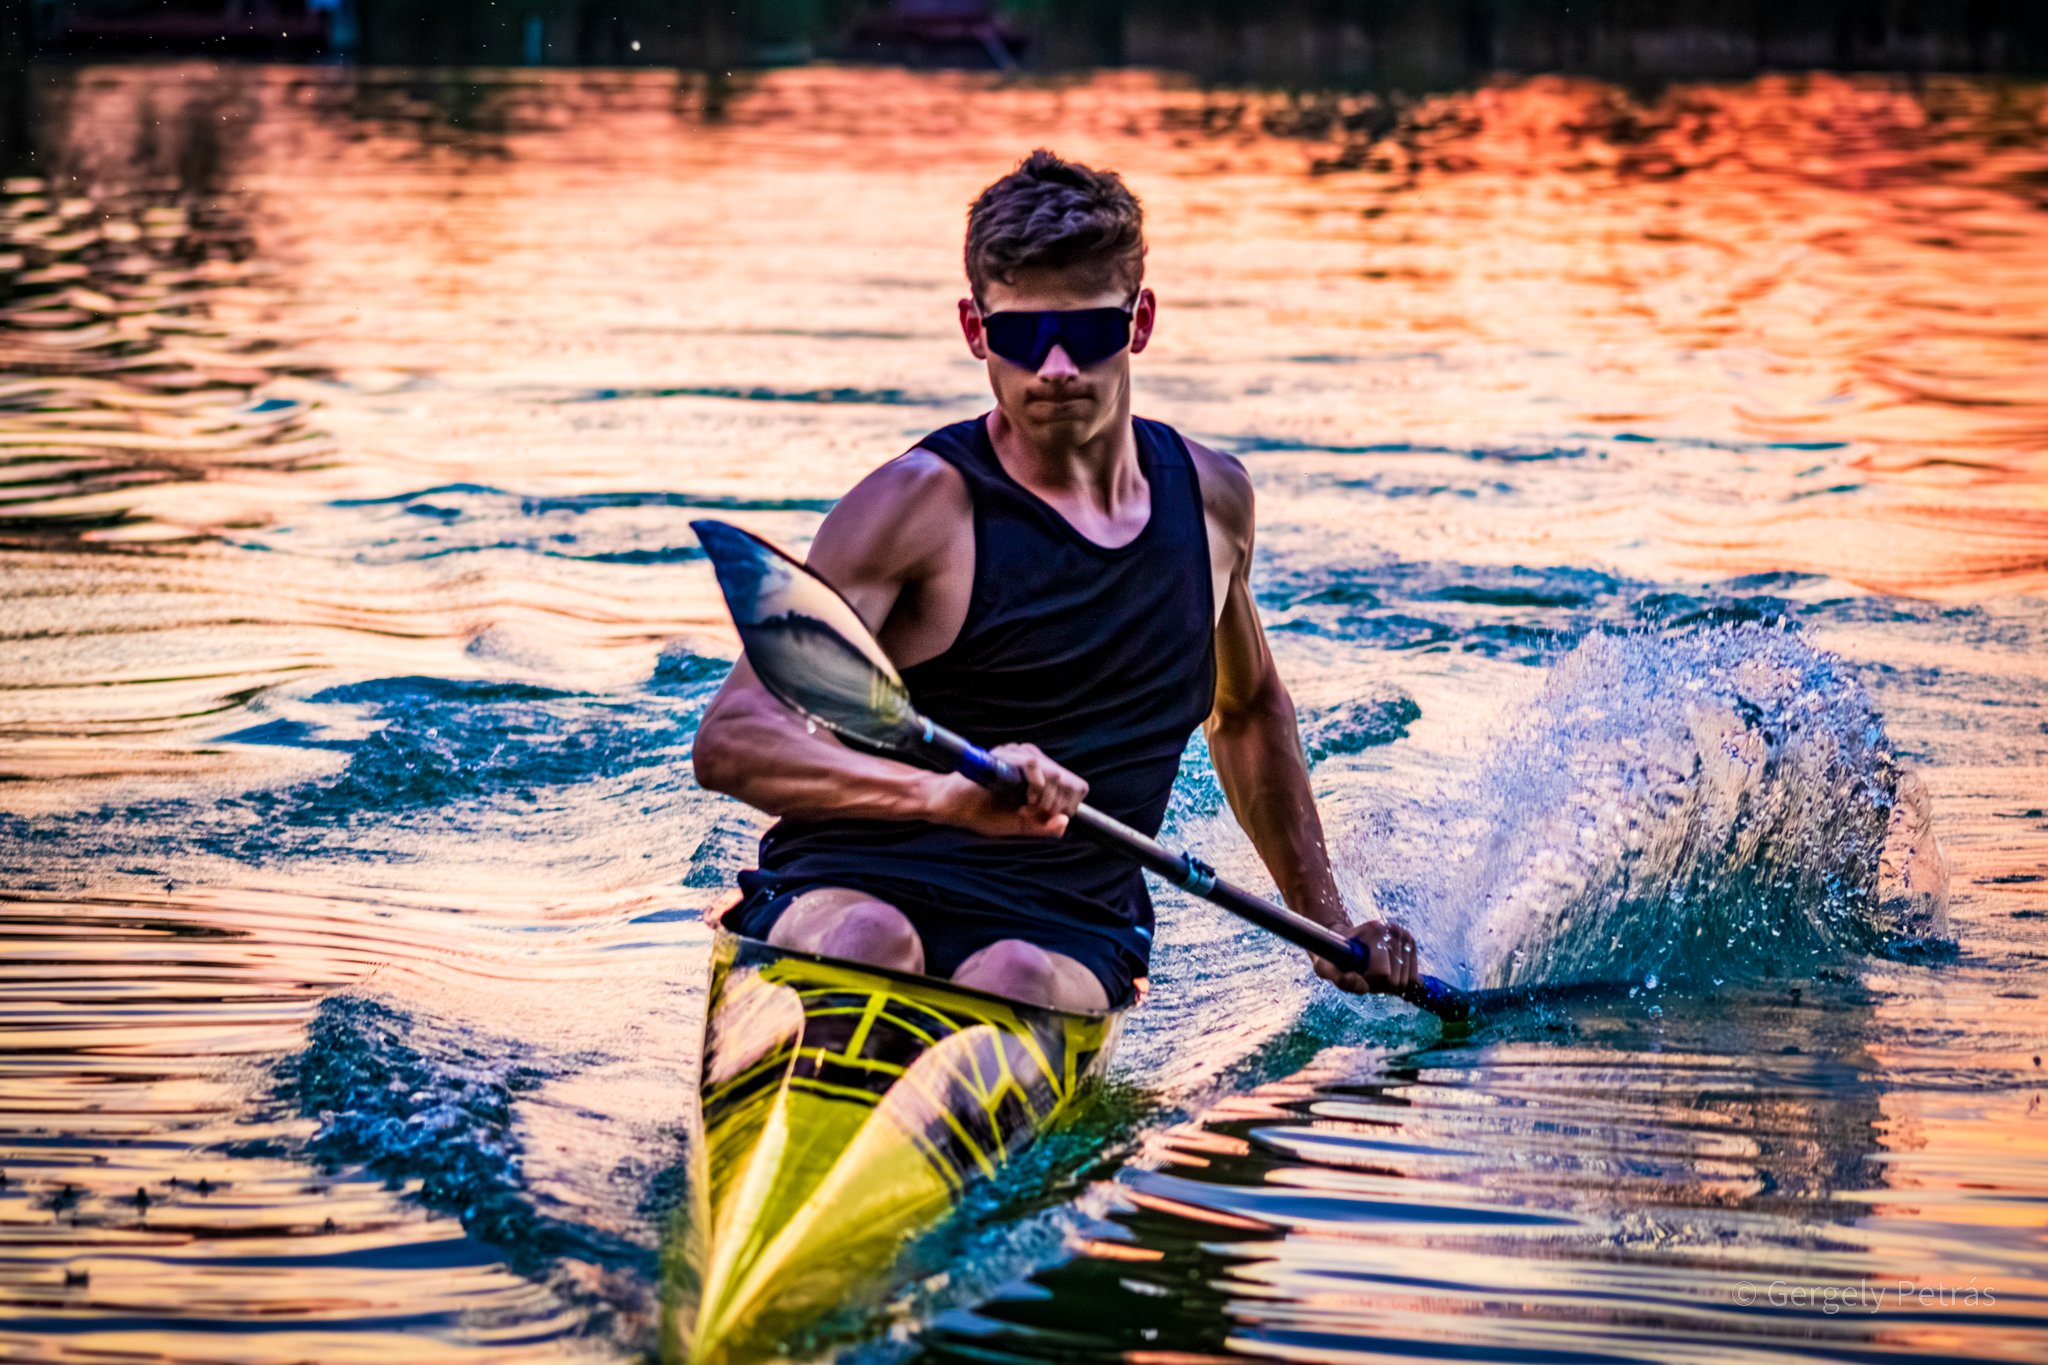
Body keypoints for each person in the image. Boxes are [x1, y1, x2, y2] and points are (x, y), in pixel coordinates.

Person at [693, 148, 1420, 1013]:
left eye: (1088, 333)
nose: (1057, 368)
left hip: (1065, 922)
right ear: (974, 331)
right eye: (1023, 337)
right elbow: (733, 736)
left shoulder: (1214, 502)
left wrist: (1330, 924)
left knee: (1014, 978)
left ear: (1140, 320)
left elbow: (1250, 712)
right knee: (872, 942)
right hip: (853, 882)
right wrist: (939, 797)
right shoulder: (915, 508)